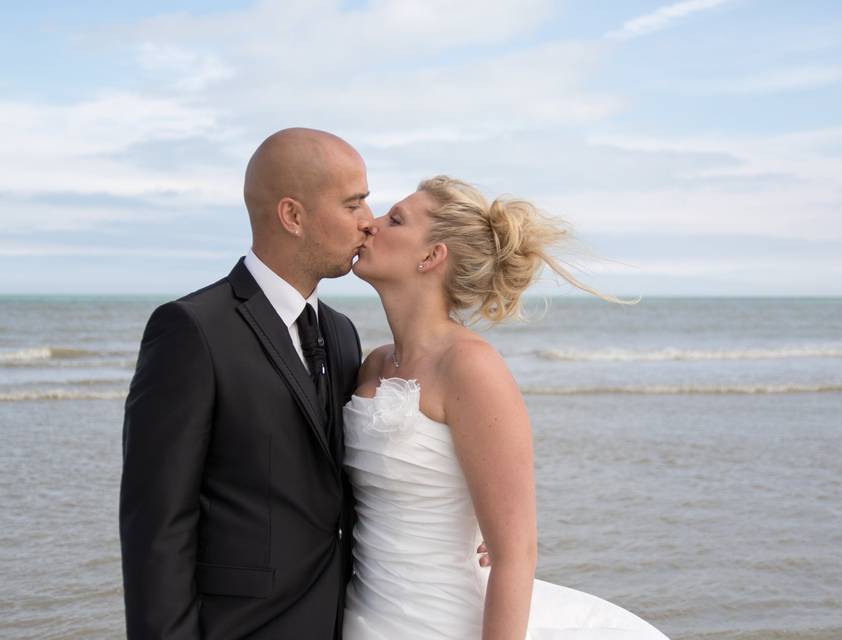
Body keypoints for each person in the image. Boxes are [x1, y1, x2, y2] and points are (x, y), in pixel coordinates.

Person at [344, 176, 669, 639]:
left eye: (394, 219)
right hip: (362, 615)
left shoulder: (471, 367)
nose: (370, 225)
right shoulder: (373, 364)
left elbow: (515, 556)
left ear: (431, 256)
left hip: (443, 623)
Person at [119, 128, 374, 639]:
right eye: (354, 204)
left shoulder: (343, 334)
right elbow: (156, 527)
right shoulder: (192, 330)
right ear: (292, 216)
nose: (369, 221)